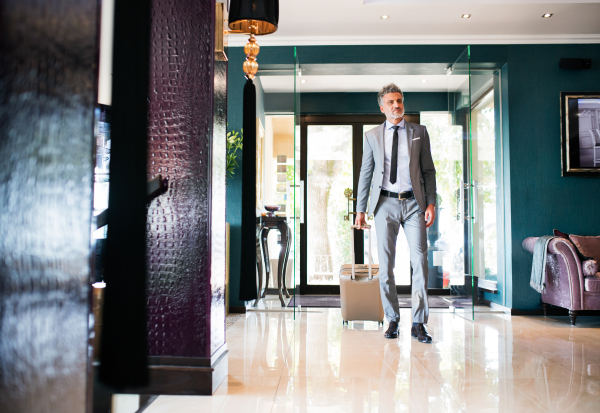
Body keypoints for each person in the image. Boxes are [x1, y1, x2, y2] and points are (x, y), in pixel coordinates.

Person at [355, 83, 437, 342]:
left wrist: (431, 203)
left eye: (399, 100)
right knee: (386, 264)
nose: (396, 105)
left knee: (420, 261)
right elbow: (365, 174)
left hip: (415, 204)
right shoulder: (371, 136)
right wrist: (360, 209)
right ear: (382, 107)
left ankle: (419, 322)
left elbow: (428, 171)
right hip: (384, 205)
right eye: (390, 102)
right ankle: (392, 319)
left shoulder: (419, 132)